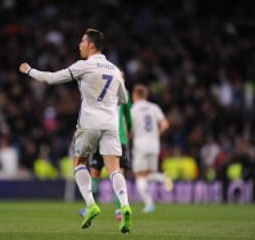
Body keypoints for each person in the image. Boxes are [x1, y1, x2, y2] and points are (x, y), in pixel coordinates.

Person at [19, 28, 132, 233]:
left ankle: (91, 204)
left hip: (89, 123)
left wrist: (29, 70)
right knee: (114, 167)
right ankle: (124, 205)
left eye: (82, 41)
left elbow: (51, 79)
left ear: (91, 45)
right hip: (111, 124)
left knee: (79, 162)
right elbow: (123, 100)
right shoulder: (115, 70)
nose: (79, 45)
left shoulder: (84, 66)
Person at [79, 90, 132, 222]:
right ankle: (120, 209)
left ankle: (91, 207)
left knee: (95, 173)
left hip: (100, 136)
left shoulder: (100, 90)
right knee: (118, 173)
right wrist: (128, 132)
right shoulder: (125, 94)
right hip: (120, 138)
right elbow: (128, 117)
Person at [130, 84, 173, 213]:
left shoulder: (133, 109)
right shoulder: (154, 107)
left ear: (134, 95)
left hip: (140, 144)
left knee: (139, 175)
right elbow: (165, 125)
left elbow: (129, 129)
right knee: (149, 174)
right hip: (154, 144)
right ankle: (164, 178)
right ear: (146, 95)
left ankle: (149, 204)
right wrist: (156, 135)